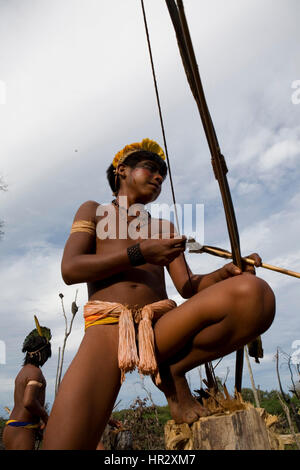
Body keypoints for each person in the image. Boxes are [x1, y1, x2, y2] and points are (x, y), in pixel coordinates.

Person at [42, 138, 275, 450]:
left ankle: (173, 369)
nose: (158, 178)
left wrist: (227, 272)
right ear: (121, 171)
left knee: (253, 293)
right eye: (150, 169)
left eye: (163, 175)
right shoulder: (94, 212)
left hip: (160, 328)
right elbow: (70, 269)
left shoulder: (163, 228)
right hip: (109, 328)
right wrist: (139, 253)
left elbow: (188, 286)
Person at [3, 317, 51, 450]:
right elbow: (28, 401)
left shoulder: (23, 371)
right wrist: (45, 417)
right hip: (22, 430)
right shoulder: (35, 373)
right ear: (41, 354)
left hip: (13, 428)